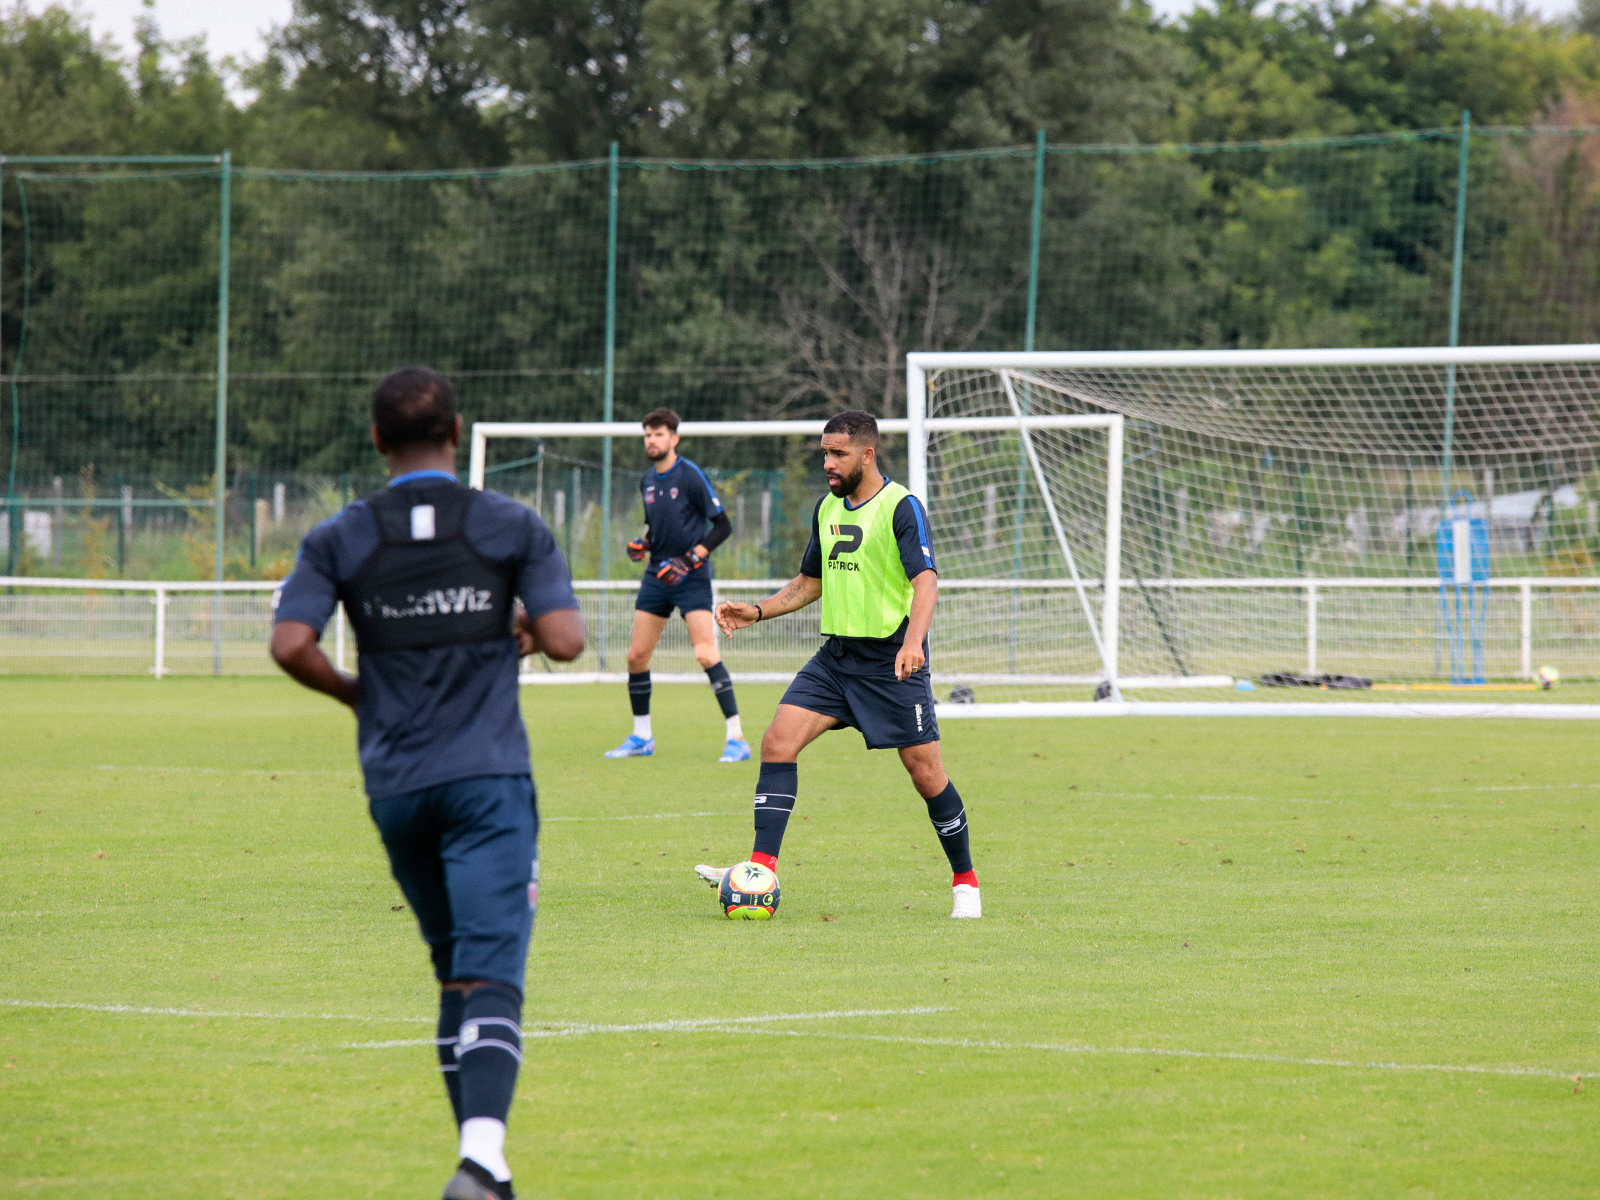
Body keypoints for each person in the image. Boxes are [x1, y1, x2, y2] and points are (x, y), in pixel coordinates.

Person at [269, 366, 585, 1200]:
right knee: (493, 972)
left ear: (377, 439)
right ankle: (480, 1159)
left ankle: (490, 1175)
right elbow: (566, 640)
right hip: (487, 780)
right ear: (457, 431)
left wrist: (357, 694)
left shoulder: (341, 535)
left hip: (397, 786)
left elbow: (290, 644)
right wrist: (520, 625)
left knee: (455, 976)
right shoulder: (508, 523)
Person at [697, 409, 980, 919]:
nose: (827, 462)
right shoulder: (827, 507)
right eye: (825, 452)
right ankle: (760, 870)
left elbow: (926, 581)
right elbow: (811, 582)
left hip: (891, 662)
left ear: (867, 455)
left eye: (838, 453)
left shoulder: (901, 506)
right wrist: (757, 611)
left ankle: (966, 882)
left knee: (926, 774)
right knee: (777, 741)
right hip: (837, 660)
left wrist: (913, 643)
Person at [605, 407, 750, 763]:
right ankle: (642, 737)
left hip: (691, 577)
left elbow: (723, 526)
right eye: (648, 435)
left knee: (705, 653)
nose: (652, 440)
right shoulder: (647, 481)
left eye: (659, 434)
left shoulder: (690, 475)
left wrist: (690, 559)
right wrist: (643, 544)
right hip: (657, 576)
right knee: (636, 656)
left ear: (674, 439)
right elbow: (655, 530)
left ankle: (737, 739)